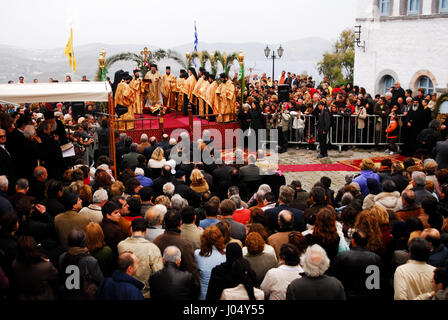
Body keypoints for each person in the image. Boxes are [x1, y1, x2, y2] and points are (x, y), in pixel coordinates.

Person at [329, 230, 384, 300]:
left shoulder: (341, 257)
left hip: (346, 295)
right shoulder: (376, 258)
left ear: (353, 241)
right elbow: (378, 283)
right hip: (368, 296)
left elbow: (334, 278)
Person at [153, 210, 200, 283]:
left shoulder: (157, 240)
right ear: (180, 223)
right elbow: (191, 269)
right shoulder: (184, 245)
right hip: (179, 284)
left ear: (164, 223)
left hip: (160, 283)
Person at [58, 228, 104, 300]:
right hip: (84, 295)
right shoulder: (90, 261)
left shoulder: (62, 257)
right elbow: (100, 279)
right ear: (84, 242)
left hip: (67, 294)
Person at [11, 235, 59, 300]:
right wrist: (46, 261)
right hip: (43, 296)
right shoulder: (45, 266)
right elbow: (56, 278)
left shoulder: (14, 264)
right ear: (34, 248)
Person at [194, 225, 226, 300]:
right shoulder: (225, 255)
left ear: (203, 239)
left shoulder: (197, 254)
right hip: (220, 296)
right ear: (220, 239)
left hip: (203, 296)